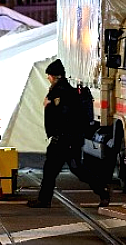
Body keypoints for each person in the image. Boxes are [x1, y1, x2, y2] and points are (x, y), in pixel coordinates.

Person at [27, 59, 110, 208]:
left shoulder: (61, 92)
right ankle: (101, 190)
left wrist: (50, 105)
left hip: (65, 139)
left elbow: (64, 116)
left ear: (55, 76)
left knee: (62, 169)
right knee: (65, 169)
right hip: (70, 139)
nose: (48, 79)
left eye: (49, 76)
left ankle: (44, 200)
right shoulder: (64, 90)